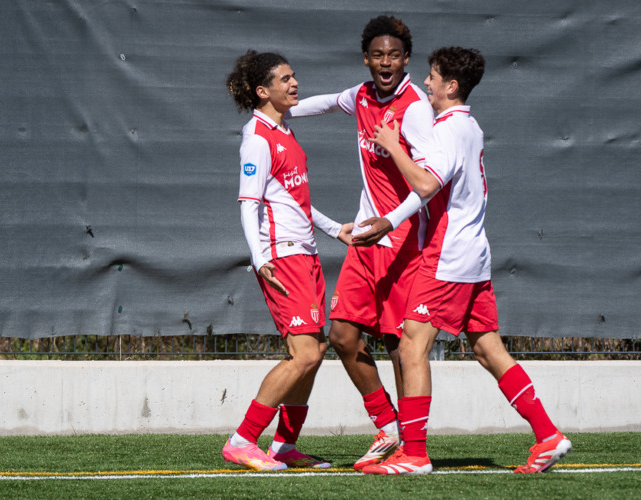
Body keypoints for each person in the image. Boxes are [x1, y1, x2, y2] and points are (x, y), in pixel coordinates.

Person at [361, 46, 572, 475]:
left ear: (451, 86)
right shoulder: (469, 125)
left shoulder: (449, 129)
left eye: (433, 76)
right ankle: (548, 436)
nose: (426, 82)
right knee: (487, 348)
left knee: (411, 346)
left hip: (448, 254)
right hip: (473, 253)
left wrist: (393, 148)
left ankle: (414, 454)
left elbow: (425, 184)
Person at [288, 15, 436, 470]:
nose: (385, 62)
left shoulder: (415, 107)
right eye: (377, 55)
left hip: (403, 240)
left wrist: (391, 221)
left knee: (399, 345)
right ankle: (387, 426)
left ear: (406, 59)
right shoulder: (362, 95)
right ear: (366, 60)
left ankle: (411, 444)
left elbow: (427, 183)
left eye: (394, 55)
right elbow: (326, 103)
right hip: (366, 239)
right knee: (341, 335)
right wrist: (280, 112)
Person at [222, 50, 352, 471]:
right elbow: (248, 204)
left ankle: (284, 446)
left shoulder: (285, 128)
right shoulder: (257, 139)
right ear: (263, 91)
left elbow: (295, 201)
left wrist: (334, 229)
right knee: (306, 354)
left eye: (294, 76)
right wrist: (260, 258)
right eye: (285, 79)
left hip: (306, 254)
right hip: (282, 257)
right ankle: (242, 440)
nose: (294, 83)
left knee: (315, 350)